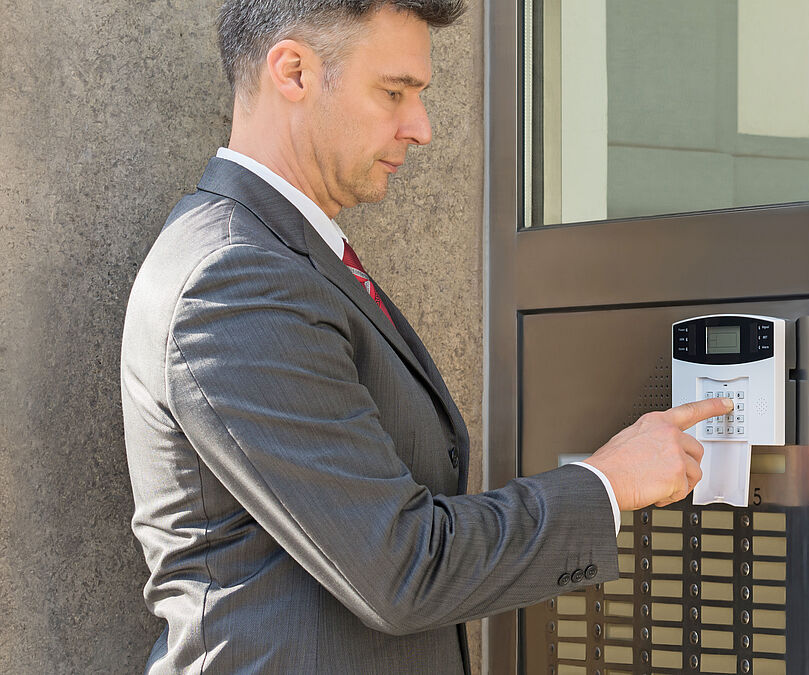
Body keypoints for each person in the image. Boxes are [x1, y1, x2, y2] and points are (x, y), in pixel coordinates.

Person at [120, 1, 733, 673]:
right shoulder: (235, 279)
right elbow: (401, 568)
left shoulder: (286, 259)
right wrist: (607, 482)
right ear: (292, 71)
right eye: (393, 92)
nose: (422, 128)